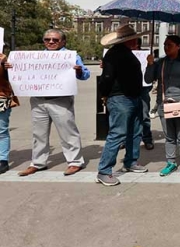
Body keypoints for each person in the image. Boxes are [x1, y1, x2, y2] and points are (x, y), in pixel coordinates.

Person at [15, 29, 89, 177]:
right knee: (39, 134)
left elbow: (86, 75)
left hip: (60, 100)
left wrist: (79, 71)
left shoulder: (70, 56)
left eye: (55, 40)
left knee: (68, 132)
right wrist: (13, 67)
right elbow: (24, 72)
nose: (50, 42)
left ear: (63, 42)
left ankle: (74, 162)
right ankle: (37, 163)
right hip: (38, 100)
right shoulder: (36, 57)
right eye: (47, 39)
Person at [95, 25, 148, 186]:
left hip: (133, 97)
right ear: (127, 40)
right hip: (120, 98)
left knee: (135, 131)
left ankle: (130, 161)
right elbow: (107, 78)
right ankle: (104, 170)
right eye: (133, 39)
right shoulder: (113, 55)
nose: (136, 41)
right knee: (118, 133)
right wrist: (104, 95)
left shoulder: (124, 53)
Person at [145, 35, 180, 177]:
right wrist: (150, 65)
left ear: (178, 46)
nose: (166, 47)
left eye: (169, 45)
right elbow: (148, 79)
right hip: (164, 104)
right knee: (169, 136)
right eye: (164, 45)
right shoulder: (160, 63)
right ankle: (171, 162)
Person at [135, 38, 154, 150]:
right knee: (128, 116)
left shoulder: (145, 56)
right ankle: (124, 140)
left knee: (145, 115)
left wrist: (151, 64)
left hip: (143, 89)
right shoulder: (125, 55)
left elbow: (151, 75)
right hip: (128, 89)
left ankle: (147, 139)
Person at [0, 53, 15, 174]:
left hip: (1, 97)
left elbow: (12, 79)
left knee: (1, 131)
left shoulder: (4, 60)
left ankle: (2, 160)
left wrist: (4, 65)